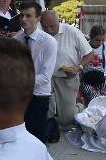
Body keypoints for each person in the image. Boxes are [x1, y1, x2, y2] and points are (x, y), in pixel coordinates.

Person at [40, 10, 94, 139]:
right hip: (46, 79)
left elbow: (89, 54)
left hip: (67, 78)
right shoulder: (39, 33)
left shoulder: (72, 32)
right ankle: (51, 128)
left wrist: (78, 68)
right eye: (45, 26)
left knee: (66, 120)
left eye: (52, 26)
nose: (48, 29)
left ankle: (81, 106)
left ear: (59, 21)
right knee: (46, 111)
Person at [13, 1, 57, 144]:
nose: (23, 19)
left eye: (28, 16)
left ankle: (51, 124)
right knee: (19, 133)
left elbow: (45, 77)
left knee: (36, 139)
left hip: (38, 94)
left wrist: (21, 82)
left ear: (38, 19)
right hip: (19, 94)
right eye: (21, 15)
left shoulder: (48, 42)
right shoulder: (16, 41)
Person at [80, 25, 106, 103]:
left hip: (104, 79)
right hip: (88, 79)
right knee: (95, 101)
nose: (100, 43)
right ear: (90, 37)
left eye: (103, 40)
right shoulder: (83, 46)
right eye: (97, 40)